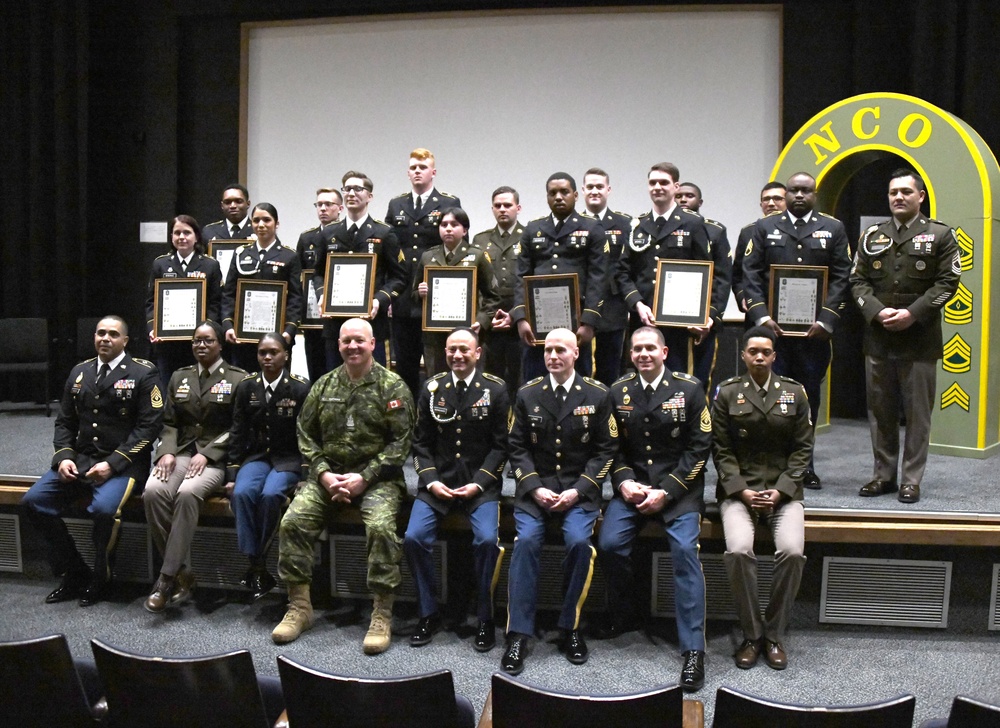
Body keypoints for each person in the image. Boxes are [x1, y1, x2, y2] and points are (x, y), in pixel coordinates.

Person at [272, 318, 415, 653]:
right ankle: (300, 608)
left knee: (380, 527)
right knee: (292, 522)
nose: (352, 347)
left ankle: (381, 613)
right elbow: (305, 435)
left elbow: (401, 443)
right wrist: (323, 474)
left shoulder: (392, 386)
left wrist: (364, 478)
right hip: (329, 477)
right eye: (346, 341)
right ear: (338, 345)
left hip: (378, 480)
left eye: (359, 341)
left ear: (372, 344)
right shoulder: (323, 385)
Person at [598, 326, 711, 692]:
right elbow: (611, 448)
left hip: (679, 489)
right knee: (611, 545)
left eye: (650, 348)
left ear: (664, 352)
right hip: (633, 488)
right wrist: (624, 481)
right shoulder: (618, 391)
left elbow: (699, 449)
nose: (643, 354)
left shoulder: (689, 389)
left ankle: (693, 649)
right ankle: (626, 615)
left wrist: (668, 491)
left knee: (683, 551)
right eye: (637, 349)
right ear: (630, 355)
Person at [22, 316, 163, 607]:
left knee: (103, 509)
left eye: (113, 334)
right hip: (82, 459)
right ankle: (74, 570)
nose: (105, 338)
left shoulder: (143, 373)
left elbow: (149, 429)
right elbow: (65, 422)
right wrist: (63, 457)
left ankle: (101, 577)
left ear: (125, 341)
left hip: (124, 463)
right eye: (100, 333)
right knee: (33, 502)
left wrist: (112, 463)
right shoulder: (79, 371)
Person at [501, 328, 617, 675]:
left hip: (578, 491)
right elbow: (516, 447)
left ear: (576, 354)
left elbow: (606, 450)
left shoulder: (598, 394)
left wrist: (579, 489)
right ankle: (518, 633)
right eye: (548, 349)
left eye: (560, 350)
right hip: (535, 491)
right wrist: (534, 487)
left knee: (580, 543)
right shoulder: (527, 393)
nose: (552, 356)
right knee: (526, 543)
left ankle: (571, 627)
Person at [850, 168, 961, 504]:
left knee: (917, 417)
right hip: (879, 338)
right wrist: (874, 310)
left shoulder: (941, 235)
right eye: (893, 192)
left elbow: (948, 283)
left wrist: (913, 313)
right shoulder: (872, 235)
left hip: (920, 341)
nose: (898, 197)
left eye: (905, 192)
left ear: (920, 197)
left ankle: (911, 480)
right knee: (880, 413)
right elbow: (857, 281)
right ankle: (883, 476)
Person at [742, 172, 851, 490]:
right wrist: (761, 316)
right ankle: (772, 465)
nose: (799, 195)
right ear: (785, 194)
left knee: (807, 399)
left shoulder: (833, 228)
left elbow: (843, 275)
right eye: (794, 190)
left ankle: (805, 465)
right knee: (767, 397)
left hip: (813, 335)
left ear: (815, 194)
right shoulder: (764, 228)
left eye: (806, 190)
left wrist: (827, 319)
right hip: (771, 335)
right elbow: (750, 273)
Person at [712, 326, 812, 671]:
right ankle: (752, 634)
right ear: (743, 355)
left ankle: (774, 633)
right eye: (752, 351)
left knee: (793, 552)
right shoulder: (727, 393)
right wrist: (741, 490)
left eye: (765, 352)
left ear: (773, 356)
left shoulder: (794, 393)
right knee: (739, 550)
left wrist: (783, 490)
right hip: (740, 493)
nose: (758, 357)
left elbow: (803, 449)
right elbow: (721, 450)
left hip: (783, 493)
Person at [404, 328, 509, 651]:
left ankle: (484, 617)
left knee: (488, 541)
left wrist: (479, 482)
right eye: (452, 350)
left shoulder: (495, 389)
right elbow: (420, 443)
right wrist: (432, 480)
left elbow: (501, 445)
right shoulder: (433, 388)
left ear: (478, 353)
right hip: (439, 483)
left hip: (480, 485)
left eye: (465, 349)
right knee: (413, 538)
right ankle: (429, 611)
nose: (457, 355)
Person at [142, 321, 248, 612]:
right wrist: (166, 452)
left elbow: (240, 427)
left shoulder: (239, 379)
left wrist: (211, 452)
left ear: (219, 344)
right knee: (153, 490)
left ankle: (165, 580)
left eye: (208, 341)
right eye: (196, 341)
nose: (201, 346)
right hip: (182, 452)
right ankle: (182, 572)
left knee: (188, 493)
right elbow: (169, 422)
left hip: (216, 458)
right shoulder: (180, 377)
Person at [225, 333, 309, 599]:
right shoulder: (247, 386)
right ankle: (256, 562)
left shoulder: (299, 387)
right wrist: (232, 472)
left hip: (289, 458)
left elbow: (308, 434)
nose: (268, 358)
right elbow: (237, 430)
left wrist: (306, 473)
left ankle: (258, 559)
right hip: (258, 456)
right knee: (241, 493)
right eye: (262, 353)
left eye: (274, 352)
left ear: (286, 355)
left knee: (271, 495)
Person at [615, 163, 713, 377]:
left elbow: (706, 271)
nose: (657, 187)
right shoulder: (637, 225)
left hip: (679, 323)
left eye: (664, 182)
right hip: (643, 318)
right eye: (652, 182)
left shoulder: (693, 224)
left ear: (676, 187)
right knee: (640, 381)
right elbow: (622, 272)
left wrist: (706, 315)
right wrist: (638, 304)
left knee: (679, 381)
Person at [510, 173, 610, 381]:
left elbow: (598, 277)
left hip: (576, 318)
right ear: (546, 197)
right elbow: (521, 274)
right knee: (534, 377)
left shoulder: (592, 227)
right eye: (552, 193)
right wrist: (520, 318)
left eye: (564, 192)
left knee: (578, 377)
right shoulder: (533, 228)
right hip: (536, 321)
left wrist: (589, 321)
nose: (558, 197)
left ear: (575, 195)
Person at [386, 148, 462, 396]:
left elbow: (459, 251)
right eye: (413, 168)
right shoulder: (396, 204)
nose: (417, 171)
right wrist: (387, 294)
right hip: (403, 297)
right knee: (404, 366)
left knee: (437, 367)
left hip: (436, 300)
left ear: (433, 172)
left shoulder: (449, 203)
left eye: (422, 167)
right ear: (408, 173)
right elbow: (389, 251)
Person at [314, 171, 407, 370]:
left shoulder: (384, 233)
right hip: (335, 325)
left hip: (372, 323)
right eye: (347, 189)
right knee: (335, 385)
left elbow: (399, 277)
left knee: (375, 385)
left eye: (358, 189)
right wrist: (322, 295)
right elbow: (317, 273)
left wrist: (379, 300)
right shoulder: (329, 232)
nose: (351, 193)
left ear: (369, 196)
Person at [412, 207, 500, 375]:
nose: (448, 228)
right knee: (436, 382)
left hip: (468, 333)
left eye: (454, 224)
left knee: (470, 382)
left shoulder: (477, 256)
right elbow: (414, 294)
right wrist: (420, 292)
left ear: (465, 230)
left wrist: (481, 322)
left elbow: (493, 296)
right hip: (435, 337)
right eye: (444, 225)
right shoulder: (428, 257)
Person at [221, 202, 304, 372]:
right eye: (256, 220)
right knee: (244, 383)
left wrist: (289, 330)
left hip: (278, 338)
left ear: (276, 224)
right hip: (243, 337)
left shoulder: (289, 256)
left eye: (266, 220)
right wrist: (228, 325)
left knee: (278, 387)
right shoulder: (240, 253)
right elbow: (229, 294)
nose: (261, 225)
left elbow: (296, 297)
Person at [145, 215, 223, 388]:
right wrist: (153, 328)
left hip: (198, 343)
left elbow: (215, 303)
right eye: (177, 233)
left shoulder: (210, 265)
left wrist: (205, 330)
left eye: (187, 233)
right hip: (167, 343)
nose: (182, 237)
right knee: (168, 387)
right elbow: (151, 302)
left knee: (197, 388)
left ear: (196, 236)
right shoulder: (161, 264)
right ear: (171, 237)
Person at [675, 181, 733, 390]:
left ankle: (702, 422)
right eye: (679, 195)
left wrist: (711, 315)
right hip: (669, 321)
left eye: (689, 196)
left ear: (700, 202)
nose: (683, 199)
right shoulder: (663, 230)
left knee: (700, 380)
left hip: (703, 321)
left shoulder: (714, 231)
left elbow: (723, 277)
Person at [472, 186, 525, 401]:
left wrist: (516, 314)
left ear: (518, 208)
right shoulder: (480, 240)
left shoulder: (529, 237)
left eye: (508, 205)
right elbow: (474, 284)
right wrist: (482, 318)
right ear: (492, 209)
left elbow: (530, 281)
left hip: (520, 320)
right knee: (489, 382)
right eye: (498, 206)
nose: (502, 209)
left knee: (518, 380)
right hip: (489, 323)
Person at [582, 168, 632, 386]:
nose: (595, 191)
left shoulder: (625, 224)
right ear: (582, 191)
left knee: (611, 369)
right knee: (581, 368)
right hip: (581, 305)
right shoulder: (574, 224)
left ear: (608, 190)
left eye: (599, 187)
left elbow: (630, 265)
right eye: (590, 187)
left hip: (613, 307)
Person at [297, 187, 343, 381]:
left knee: (337, 368)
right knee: (315, 367)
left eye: (328, 204)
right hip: (313, 315)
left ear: (340, 208)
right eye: (319, 204)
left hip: (338, 314)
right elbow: (299, 275)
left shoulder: (345, 235)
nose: (323, 208)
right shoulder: (307, 238)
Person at [732, 182, 787, 315]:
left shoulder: (798, 230)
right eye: (766, 199)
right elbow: (737, 274)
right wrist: (742, 296)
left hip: (790, 303)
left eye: (778, 198)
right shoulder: (748, 232)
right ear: (761, 204)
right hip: (758, 305)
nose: (771, 203)